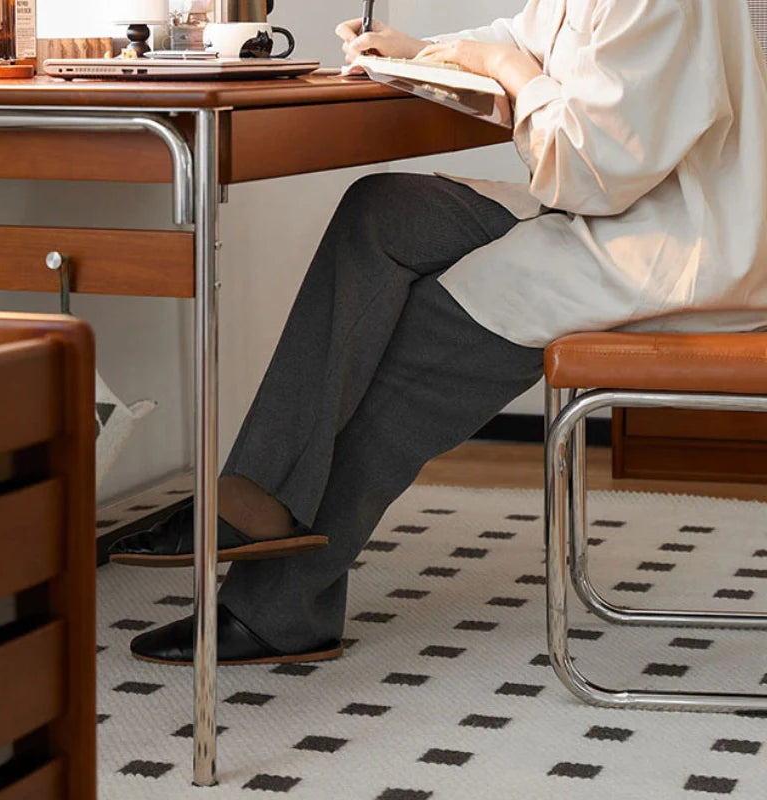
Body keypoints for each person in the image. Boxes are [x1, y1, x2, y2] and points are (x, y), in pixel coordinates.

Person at [112, 0, 767, 665]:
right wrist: (416, 48)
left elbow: (586, 168)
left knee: (421, 340)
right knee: (384, 214)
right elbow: (524, 36)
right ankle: (254, 497)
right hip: (612, 221)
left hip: (674, 252)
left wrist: (505, 67)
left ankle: (276, 612)